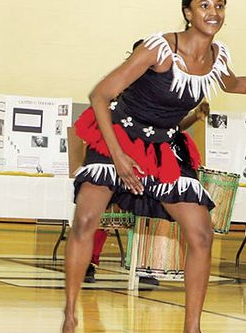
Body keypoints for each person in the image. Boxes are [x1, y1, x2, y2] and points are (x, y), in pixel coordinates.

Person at [61, 0, 246, 333]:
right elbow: (99, 95)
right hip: (117, 137)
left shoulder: (218, 57)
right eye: (204, 6)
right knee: (86, 221)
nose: (213, 12)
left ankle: (192, 331)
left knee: (201, 234)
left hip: (162, 147)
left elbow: (236, 83)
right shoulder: (159, 49)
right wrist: (118, 156)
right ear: (187, 12)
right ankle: (71, 314)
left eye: (219, 5)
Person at [85, 98, 210, 284]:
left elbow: (169, 130)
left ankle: (145, 266)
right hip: (119, 161)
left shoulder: (157, 102)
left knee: (152, 210)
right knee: (103, 208)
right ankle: (89, 262)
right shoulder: (119, 103)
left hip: (147, 164)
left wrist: (195, 116)